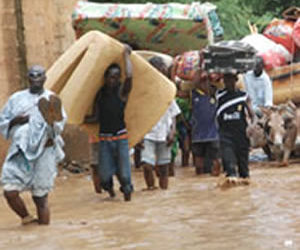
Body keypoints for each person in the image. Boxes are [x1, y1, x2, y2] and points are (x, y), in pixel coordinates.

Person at [0, 65, 67, 225]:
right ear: (28, 78)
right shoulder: (16, 99)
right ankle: (27, 218)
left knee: (40, 197)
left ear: (45, 78)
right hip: (20, 152)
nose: (36, 79)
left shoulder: (52, 98)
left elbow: (61, 125)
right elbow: (2, 122)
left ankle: (44, 235)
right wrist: (16, 120)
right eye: (32, 76)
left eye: (39, 76)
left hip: (44, 152)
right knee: (9, 190)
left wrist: (53, 124)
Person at [85, 44, 133, 201]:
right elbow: (96, 117)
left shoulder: (122, 93)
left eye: (116, 77)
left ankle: (127, 199)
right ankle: (111, 192)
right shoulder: (100, 95)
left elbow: (130, 77)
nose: (113, 80)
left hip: (121, 139)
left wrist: (126, 55)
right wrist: (80, 118)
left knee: (125, 176)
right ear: (105, 78)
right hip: (104, 139)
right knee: (104, 177)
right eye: (110, 77)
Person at [140, 56, 181, 190]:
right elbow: (137, 114)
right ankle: (151, 189)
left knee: (164, 168)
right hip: (148, 134)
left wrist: (172, 131)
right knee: (146, 165)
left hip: (164, 133)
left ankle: (163, 193)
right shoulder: (143, 92)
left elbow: (173, 113)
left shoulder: (167, 90)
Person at [216, 73, 254, 183]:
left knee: (244, 172)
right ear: (223, 81)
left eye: (231, 80)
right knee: (229, 167)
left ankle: (244, 196)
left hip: (241, 136)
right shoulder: (218, 95)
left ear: (236, 80)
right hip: (225, 136)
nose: (229, 83)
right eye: (226, 80)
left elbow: (253, 116)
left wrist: (251, 125)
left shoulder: (244, 96)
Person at [190, 71, 221, 176]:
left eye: (207, 81)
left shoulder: (216, 95)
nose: (205, 84)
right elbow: (176, 90)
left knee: (215, 165)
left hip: (213, 135)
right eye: (203, 82)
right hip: (197, 135)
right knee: (199, 167)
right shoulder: (193, 94)